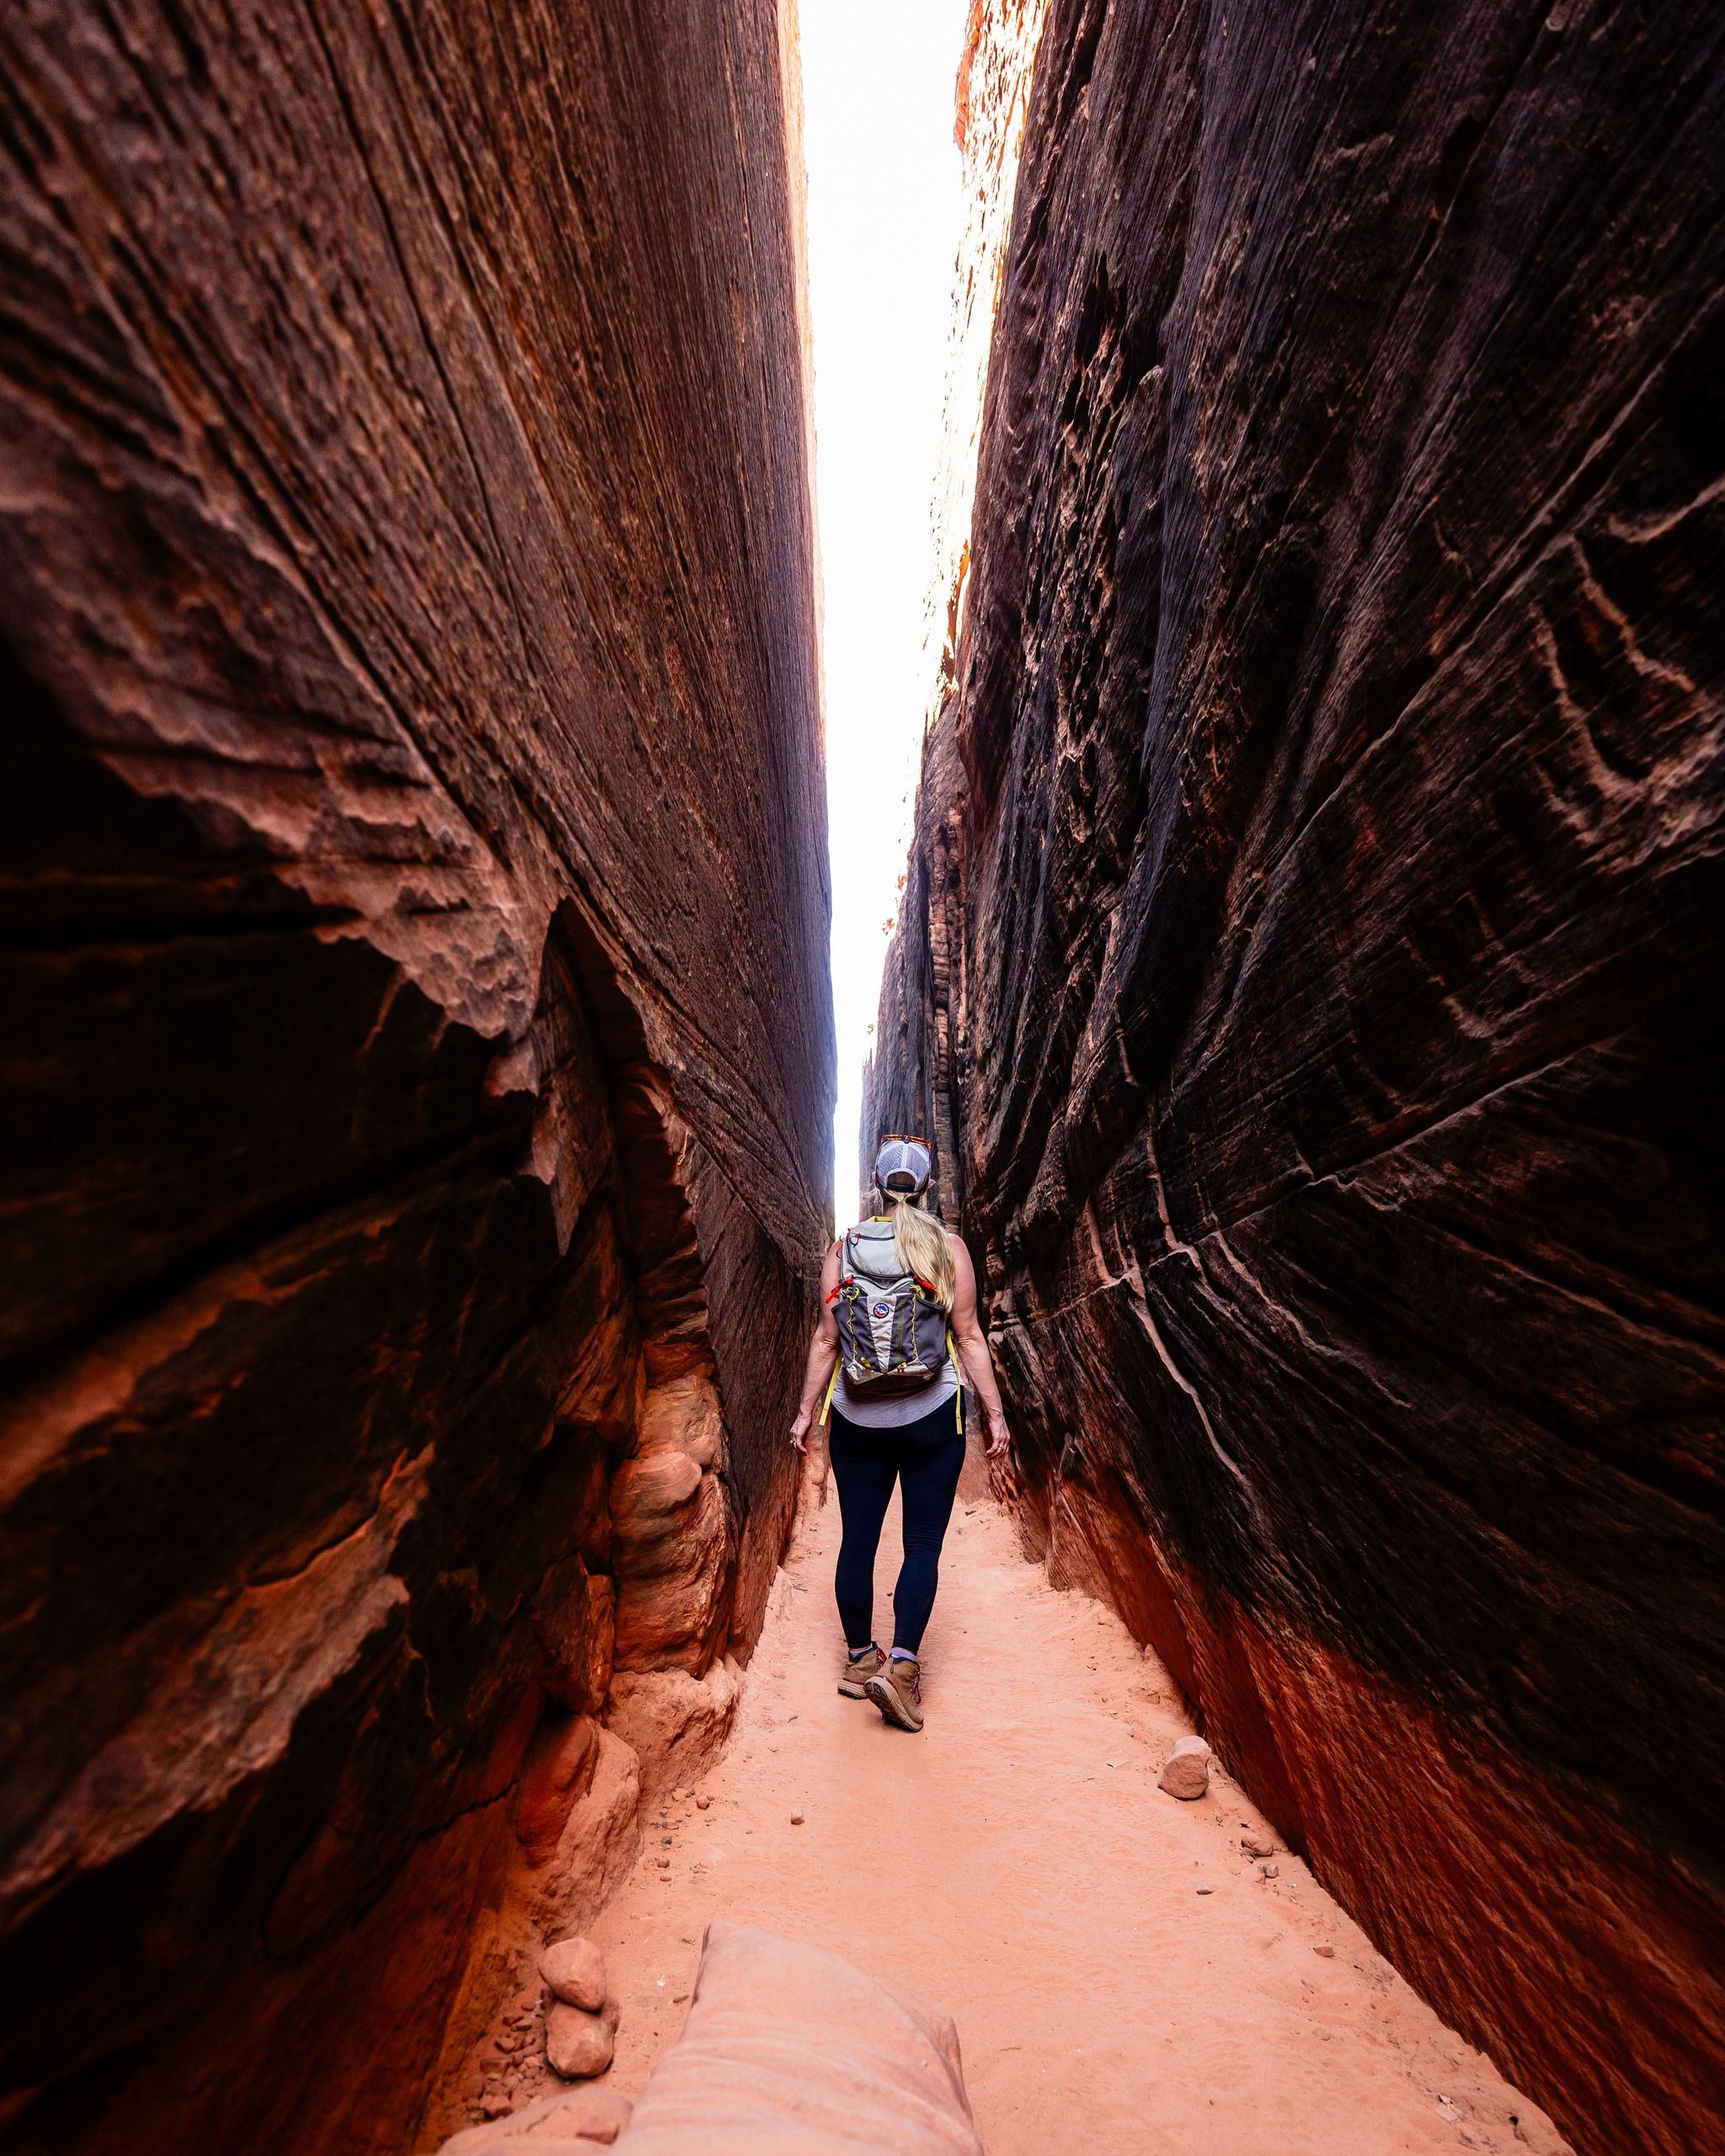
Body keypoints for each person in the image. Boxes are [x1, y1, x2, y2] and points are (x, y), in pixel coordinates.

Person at [788, 1135, 1010, 1732]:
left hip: (857, 1421)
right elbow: (966, 1336)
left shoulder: (845, 1248)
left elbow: (827, 1339)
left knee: (856, 1542)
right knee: (922, 1547)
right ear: (929, 1186)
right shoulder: (947, 1247)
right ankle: (903, 1670)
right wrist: (994, 1413)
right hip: (931, 1420)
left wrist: (805, 1413)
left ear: (877, 1186)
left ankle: (861, 1662)